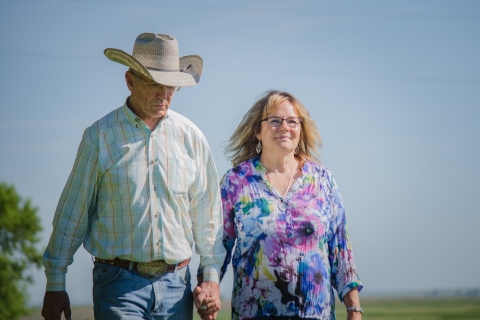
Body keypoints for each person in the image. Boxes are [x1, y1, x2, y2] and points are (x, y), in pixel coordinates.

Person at [41, 33, 225, 320]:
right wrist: (55, 282)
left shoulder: (191, 137)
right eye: (154, 84)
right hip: (117, 284)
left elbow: (207, 213)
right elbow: (73, 213)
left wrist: (210, 276)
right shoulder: (99, 137)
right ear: (130, 81)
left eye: (171, 87)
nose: (164, 95)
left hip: (177, 285)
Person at [217, 90, 363, 319]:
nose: (284, 127)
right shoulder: (235, 181)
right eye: (274, 120)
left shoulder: (322, 180)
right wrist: (208, 286)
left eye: (292, 121)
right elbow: (217, 247)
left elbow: (341, 251)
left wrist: (354, 308)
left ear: (300, 129)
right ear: (257, 130)